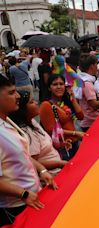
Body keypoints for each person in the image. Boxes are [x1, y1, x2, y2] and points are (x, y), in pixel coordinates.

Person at [0, 74, 57, 227]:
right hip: (15, 206)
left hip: (32, 196)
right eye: (11, 93)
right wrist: (23, 193)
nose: (18, 96)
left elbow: (22, 155)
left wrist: (42, 170)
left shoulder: (6, 120)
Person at [9, 90, 68, 175]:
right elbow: (34, 163)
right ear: (23, 109)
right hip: (53, 174)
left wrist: (60, 145)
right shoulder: (27, 133)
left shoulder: (32, 121)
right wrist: (60, 163)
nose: (36, 103)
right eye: (32, 102)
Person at [40, 74, 85, 160]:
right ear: (49, 88)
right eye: (55, 84)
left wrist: (73, 98)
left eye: (61, 84)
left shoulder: (65, 102)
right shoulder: (46, 105)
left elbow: (81, 116)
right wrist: (75, 133)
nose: (59, 87)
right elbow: (52, 130)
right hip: (62, 148)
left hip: (75, 143)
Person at [78, 55, 99, 132]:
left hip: (87, 119)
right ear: (92, 66)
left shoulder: (81, 80)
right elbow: (94, 104)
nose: (97, 67)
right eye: (96, 64)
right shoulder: (87, 83)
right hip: (90, 121)